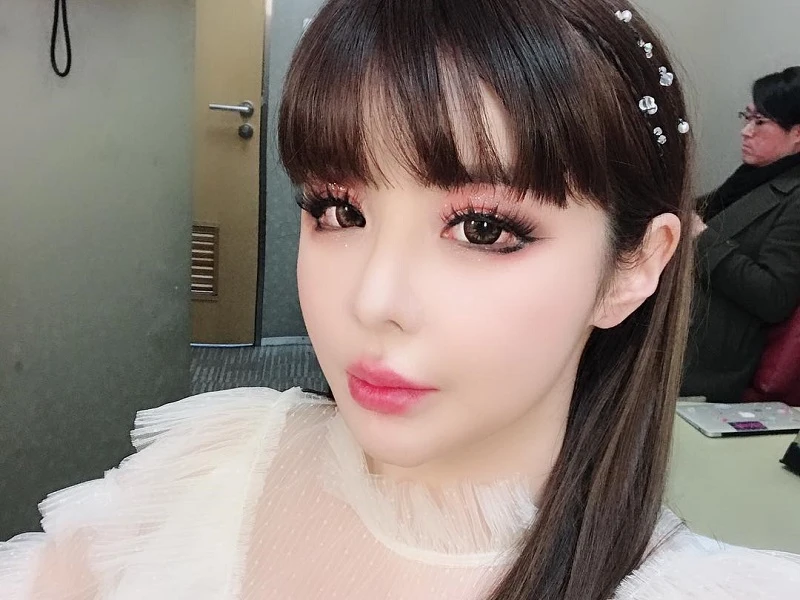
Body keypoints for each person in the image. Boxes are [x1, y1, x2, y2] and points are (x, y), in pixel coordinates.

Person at [2, 1, 799, 598]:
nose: (372, 299)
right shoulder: (212, 472)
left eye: (483, 228)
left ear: (632, 268)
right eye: (337, 211)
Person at [682, 67, 800, 403]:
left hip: (708, 359)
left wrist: (701, 238)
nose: (746, 132)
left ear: (797, 134)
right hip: (679, 327)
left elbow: (773, 295)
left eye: (760, 122)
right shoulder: (750, 177)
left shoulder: (794, 197)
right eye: (747, 118)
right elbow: (703, 213)